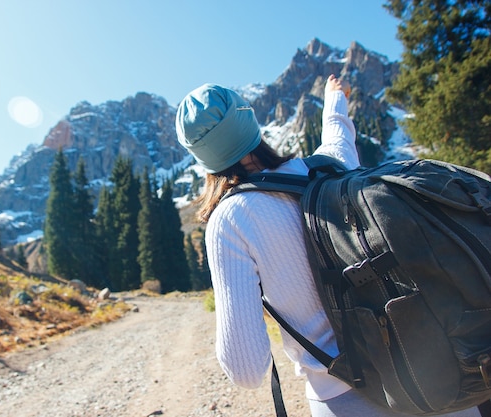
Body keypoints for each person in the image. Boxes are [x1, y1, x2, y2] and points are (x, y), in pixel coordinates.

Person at [174, 75, 482, 417]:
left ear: (201, 157)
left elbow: (246, 370)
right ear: (251, 123)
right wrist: (335, 98)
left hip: (344, 399)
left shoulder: (230, 220)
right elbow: (339, 137)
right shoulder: (330, 168)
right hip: (441, 377)